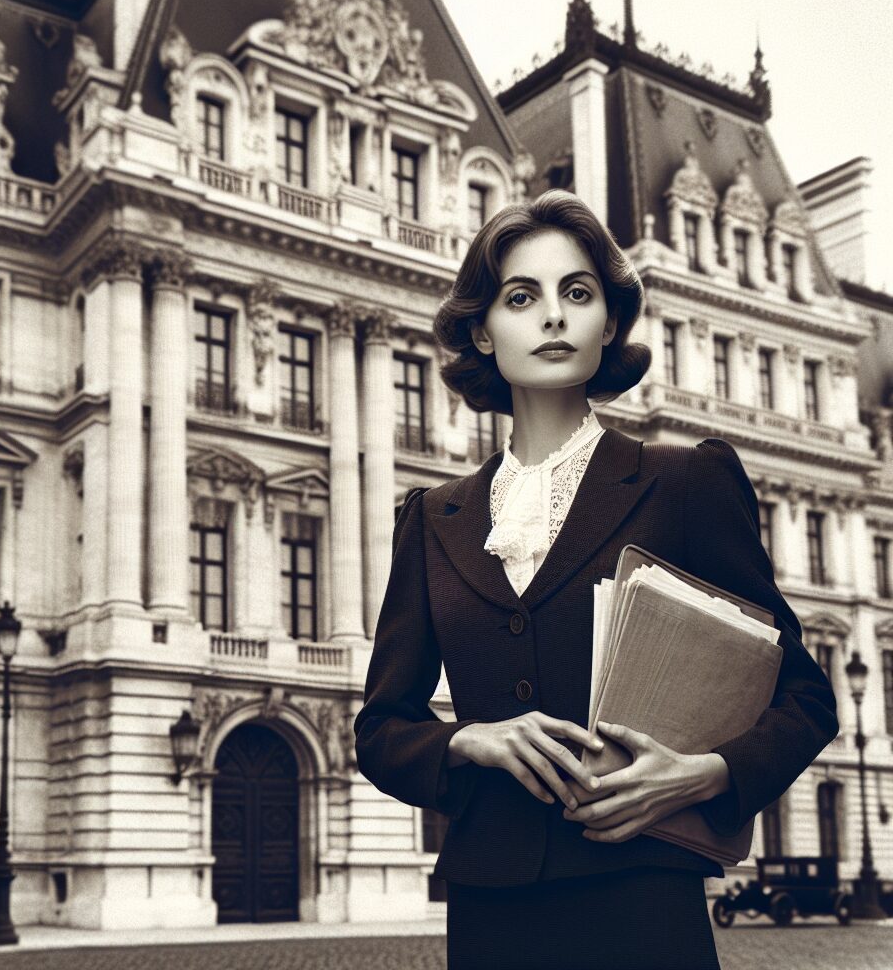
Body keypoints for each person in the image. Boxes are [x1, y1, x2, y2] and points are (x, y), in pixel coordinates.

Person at [353, 190, 839, 970]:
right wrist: (469, 741)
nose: (553, 316)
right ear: (482, 330)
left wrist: (698, 777)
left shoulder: (686, 482)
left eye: (577, 293)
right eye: (522, 297)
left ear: (608, 322)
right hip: (491, 910)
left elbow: (806, 697)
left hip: (643, 900)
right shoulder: (431, 518)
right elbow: (380, 732)